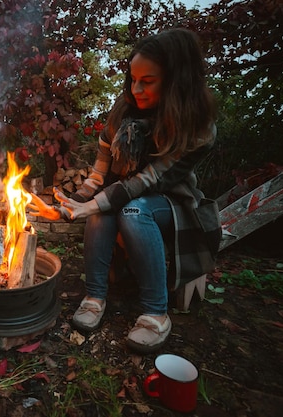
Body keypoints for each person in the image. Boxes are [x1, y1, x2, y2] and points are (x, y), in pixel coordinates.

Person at [29, 28, 221, 354]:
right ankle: (94, 296)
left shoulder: (197, 126)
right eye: (133, 79)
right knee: (102, 215)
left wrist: (91, 206)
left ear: (177, 80)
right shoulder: (123, 114)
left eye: (148, 81)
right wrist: (69, 205)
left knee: (133, 211)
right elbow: (98, 175)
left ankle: (156, 314)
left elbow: (148, 181)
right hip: (125, 194)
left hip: (170, 204)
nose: (136, 89)